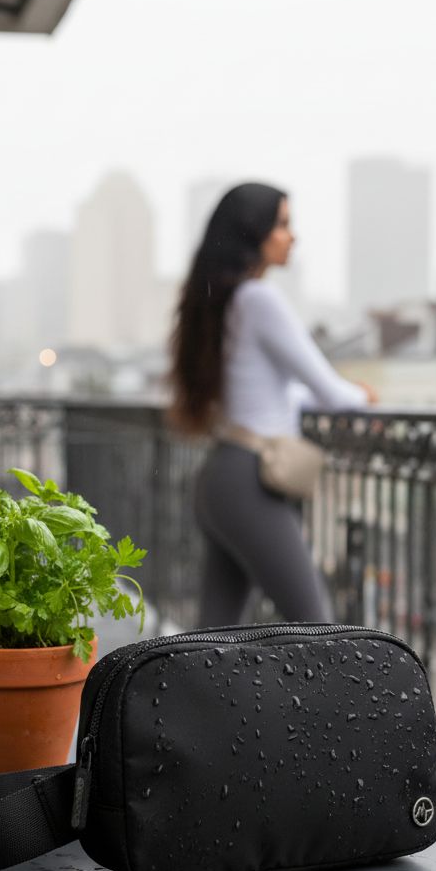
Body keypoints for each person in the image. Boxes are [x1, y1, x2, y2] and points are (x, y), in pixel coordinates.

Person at [168, 181, 374, 627]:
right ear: (253, 232)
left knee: (215, 637)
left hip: (223, 474)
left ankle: (196, 681)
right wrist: (364, 396)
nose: (292, 236)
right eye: (281, 224)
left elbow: (275, 391)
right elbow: (333, 394)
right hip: (251, 479)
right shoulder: (259, 299)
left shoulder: (226, 301)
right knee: (316, 627)